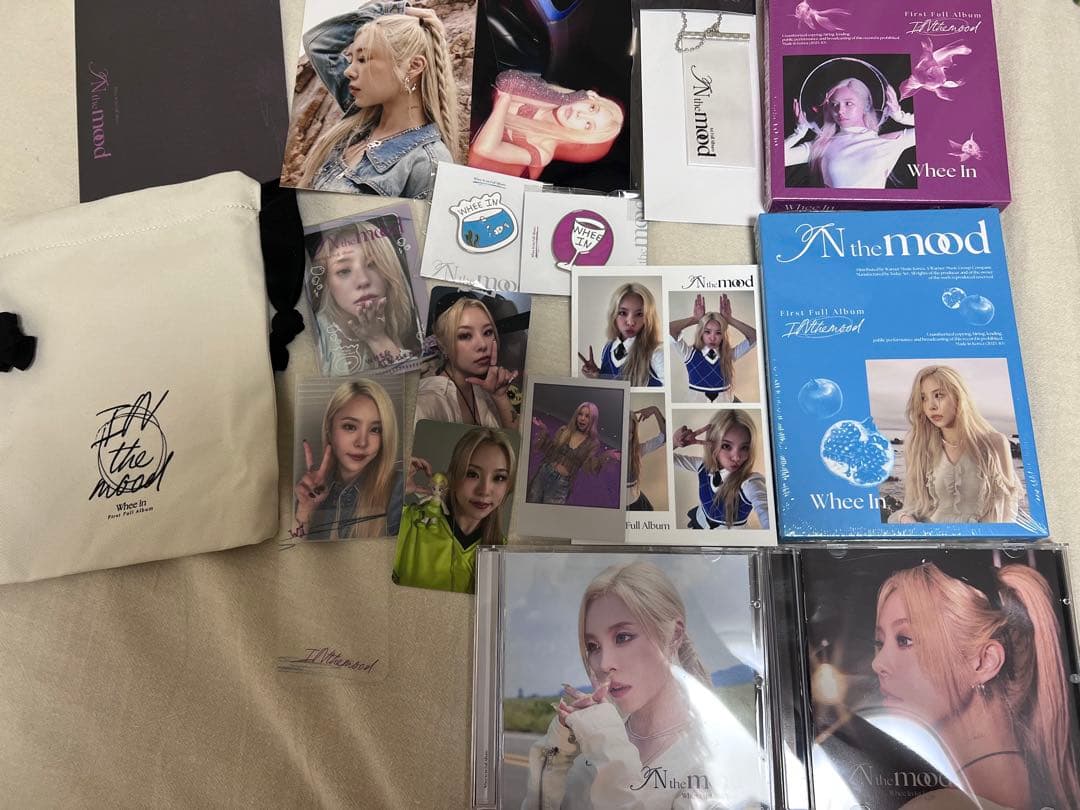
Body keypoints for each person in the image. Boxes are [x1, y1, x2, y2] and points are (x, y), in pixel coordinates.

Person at [870, 560, 1080, 810]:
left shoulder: (935, 804)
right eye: (879, 643)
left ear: (984, 662)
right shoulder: (1036, 785)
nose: (877, 664)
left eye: (905, 640)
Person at [522, 562, 721, 808]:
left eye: (623, 637)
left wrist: (609, 750)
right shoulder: (592, 742)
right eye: (593, 646)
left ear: (674, 635)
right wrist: (560, 747)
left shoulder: (714, 758)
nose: (604, 663)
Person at [298, 3, 459, 199]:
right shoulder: (359, 119)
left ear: (413, 66)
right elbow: (317, 43)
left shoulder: (428, 163)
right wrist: (391, 11)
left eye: (363, 59)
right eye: (350, 60)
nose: (348, 71)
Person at [890, 365, 1019, 524]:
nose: (931, 406)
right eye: (923, 398)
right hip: (931, 534)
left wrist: (981, 537)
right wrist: (907, 519)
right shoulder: (918, 445)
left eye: (938, 395)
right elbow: (912, 505)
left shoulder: (995, 443)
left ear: (959, 396)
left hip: (980, 537)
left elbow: (1007, 509)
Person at [392, 427, 516, 594]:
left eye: (499, 477)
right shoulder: (408, 523)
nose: (485, 491)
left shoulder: (510, 557)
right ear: (453, 476)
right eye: (472, 474)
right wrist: (390, 491)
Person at [308, 219, 422, 374]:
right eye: (344, 271)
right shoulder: (313, 336)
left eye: (372, 264)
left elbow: (410, 381)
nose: (363, 281)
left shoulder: (393, 321)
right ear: (326, 282)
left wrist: (378, 338)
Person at [293, 379, 402, 540]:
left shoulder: (399, 489)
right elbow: (293, 552)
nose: (362, 443)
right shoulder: (310, 491)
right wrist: (304, 512)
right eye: (350, 427)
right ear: (329, 429)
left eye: (375, 429)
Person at [468, 69, 624, 181]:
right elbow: (506, 80)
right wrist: (564, 99)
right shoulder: (548, 95)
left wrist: (504, 100)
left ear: (582, 136)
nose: (580, 114)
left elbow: (485, 149)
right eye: (592, 108)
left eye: (588, 125)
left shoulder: (542, 152)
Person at [785, 77, 915, 189]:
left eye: (848, 103)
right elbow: (779, 160)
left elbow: (928, 130)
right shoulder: (821, 146)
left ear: (866, 105)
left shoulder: (888, 143)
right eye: (834, 105)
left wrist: (901, 116)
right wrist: (799, 132)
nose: (840, 111)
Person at [415, 296, 519, 429]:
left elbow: (516, 439)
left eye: (487, 332)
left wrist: (500, 396)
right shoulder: (427, 403)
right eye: (465, 336)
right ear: (443, 345)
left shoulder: (482, 391)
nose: (482, 345)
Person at [672, 410, 769, 530]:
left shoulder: (750, 483)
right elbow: (670, 459)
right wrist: (674, 443)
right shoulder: (702, 466)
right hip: (699, 522)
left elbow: (766, 512)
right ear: (712, 445)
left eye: (744, 447)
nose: (736, 457)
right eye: (726, 446)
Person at [669, 293, 756, 403]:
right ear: (701, 333)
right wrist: (695, 319)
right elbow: (670, 329)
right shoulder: (689, 354)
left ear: (723, 335)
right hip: (696, 408)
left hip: (728, 405)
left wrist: (729, 320)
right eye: (707, 332)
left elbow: (754, 336)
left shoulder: (728, 355)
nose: (713, 337)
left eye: (718, 333)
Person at [527, 402, 621, 505]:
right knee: (531, 504)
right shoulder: (564, 430)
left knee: (551, 513)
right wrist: (543, 430)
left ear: (593, 420)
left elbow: (589, 465)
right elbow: (550, 449)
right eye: (580, 414)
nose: (582, 418)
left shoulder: (592, 443)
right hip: (544, 473)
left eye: (587, 416)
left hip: (561, 484)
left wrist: (607, 456)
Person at [579, 283, 664, 388]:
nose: (630, 322)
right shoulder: (608, 347)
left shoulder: (657, 353)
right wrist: (598, 376)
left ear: (648, 318)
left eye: (639, 314)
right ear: (613, 315)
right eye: (623, 313)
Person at [627, 406, 666, 511]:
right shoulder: (605, 452)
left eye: (631, 432)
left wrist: (655, 410)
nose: (628, 437)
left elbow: (664, 437)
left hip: (637, 504)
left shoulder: (638, 450)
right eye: (624, 431)